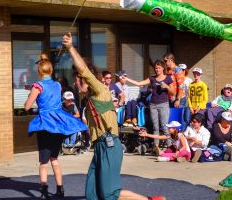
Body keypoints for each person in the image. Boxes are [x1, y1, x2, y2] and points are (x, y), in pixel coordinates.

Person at [62, 33, 166, 200]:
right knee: (92, 193)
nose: (74, 83)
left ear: (85, 80)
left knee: (110, 194)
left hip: (109, 145)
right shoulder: (88, 100)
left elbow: (83, 69)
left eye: (76, 80)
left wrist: (70, 48)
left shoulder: (100, 91)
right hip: (99, 147)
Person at [24, 54, 88, 199]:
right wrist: (34, 89)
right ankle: (60, 189)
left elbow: (27, 107)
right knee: (55, 159)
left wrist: (31, 93)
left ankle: (44, 190)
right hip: (58, 123)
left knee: (43, 162)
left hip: (46, 124)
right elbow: (49, 95)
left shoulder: (37, 86)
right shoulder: (57, 85)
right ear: (51, 71)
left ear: (39, 71)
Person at [121, 60, 175, 155]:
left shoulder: (168, 78)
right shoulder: (152, 78)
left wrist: (166, 86)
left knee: (164, 126)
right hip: (153, 105)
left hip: (164, 104)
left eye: (159, 68)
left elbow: (173, 92)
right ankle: (156, 147)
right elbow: (139, 83)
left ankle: (170, 147)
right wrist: (127, 79)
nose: (157, 69)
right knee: (155, 127)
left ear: (163, 68)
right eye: (156, 68)